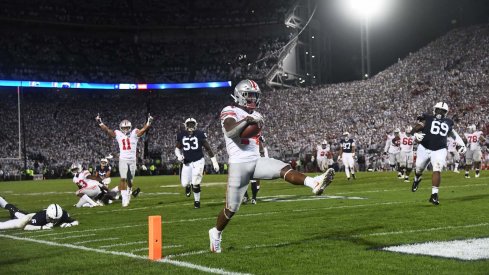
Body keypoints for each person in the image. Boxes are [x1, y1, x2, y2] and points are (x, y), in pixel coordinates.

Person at [208, 79, 335, 253]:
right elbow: (231, 132)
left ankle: (314, 183)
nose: (253, 100)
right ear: (239, 95)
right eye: (249, 96)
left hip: (256, 160)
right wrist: (248, 120)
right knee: (231, 209)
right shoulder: (229, 110)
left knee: (283, 169)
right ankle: (216, 233)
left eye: (255, 96)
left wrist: (257, 124)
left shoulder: (256, 115)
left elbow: (255, 137)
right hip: (239, 164)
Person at [410, 102, 466, 205]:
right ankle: (417, 178)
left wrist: (462, 144)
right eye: (438, 109)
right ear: (434, 110)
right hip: (424, 147)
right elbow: (416, 128)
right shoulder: (427, 118)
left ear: (446, 112)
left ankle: (434, 195)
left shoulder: (448, 122)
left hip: (440, 149)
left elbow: (453, 134)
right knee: (418, 168)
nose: (440, 112)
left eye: (442, 110)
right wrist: (415, 135)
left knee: (437, 168)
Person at [95, 113, 153, 207]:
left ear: (130, 127)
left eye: (127, 127)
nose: (126, 129)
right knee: (123, 179)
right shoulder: (118, 133)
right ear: (121, 128)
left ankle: (129, 191)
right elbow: (108, 131)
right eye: (124, 128)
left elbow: (142, 131)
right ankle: (124, 199)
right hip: (123, 160)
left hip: (132, 160)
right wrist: (100, 123)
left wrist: (148, 122)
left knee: (130, 181)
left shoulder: (134, 132)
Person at [175, 117, 220, 209]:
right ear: (185, 125)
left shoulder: (200, 134)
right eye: (189, 124)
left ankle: (197, 202)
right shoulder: (181, 135)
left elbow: (208, 148)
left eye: (192, 124)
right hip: (187, 162)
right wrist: (179, 156)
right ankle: (188, 186)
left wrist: (214, 162)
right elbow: (177, 148)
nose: (191, 126)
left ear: (195, 125)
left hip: (198, 161)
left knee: (196, 182)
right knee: (184, 183)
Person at [0, 196, 78, 230]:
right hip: (30, 216)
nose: (55, 221)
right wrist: (41, 227)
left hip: (34, 214)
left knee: (15, 212)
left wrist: (69, 224)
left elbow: (76, 221)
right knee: (17, 217)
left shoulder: (62, 215)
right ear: (48, 215)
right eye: (52, 219)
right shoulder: (40, 217)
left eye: (56, 219)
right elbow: (26, 226)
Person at [243, 135, 268, 205]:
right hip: (246, 159)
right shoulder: (246, 137)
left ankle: (253, 198)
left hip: (254, 159)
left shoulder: (258, 137)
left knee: (253, 179)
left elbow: (262, 147)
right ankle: (246, 196)